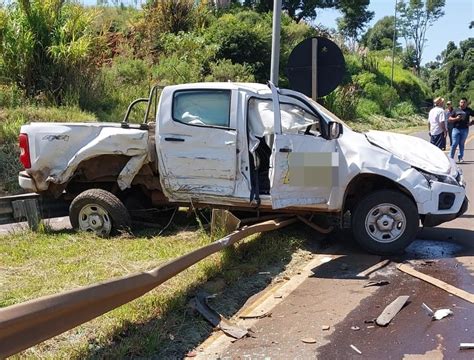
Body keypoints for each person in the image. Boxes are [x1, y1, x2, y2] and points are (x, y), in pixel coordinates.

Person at [449, 97, 474, 163]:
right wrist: (456, 119)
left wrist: (471, 123)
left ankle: (460, 158)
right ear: (459, 103)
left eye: (464, 102)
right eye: (461, 102)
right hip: (456, 129)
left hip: (465, 129)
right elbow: (450, 118)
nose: (462, 104)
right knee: (454, 143)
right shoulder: (455, 110)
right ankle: (450, 158)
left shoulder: (469, 110)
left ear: (466, 103)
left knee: (461, 144)